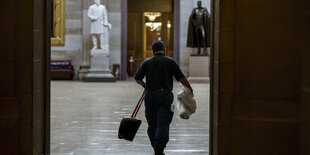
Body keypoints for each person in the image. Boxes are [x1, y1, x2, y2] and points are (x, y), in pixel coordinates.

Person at [134, 41, 193, 155]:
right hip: (165, 95)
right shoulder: (170, 62)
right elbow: (181, 78)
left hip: (150, 95)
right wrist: (190, 88)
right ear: (164, 50)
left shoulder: (147, 62)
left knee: (152, 123)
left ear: (153, 51)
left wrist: (145, 86)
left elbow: (137, 78)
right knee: (163, 122)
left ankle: (156, 148)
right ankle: (159, 149)